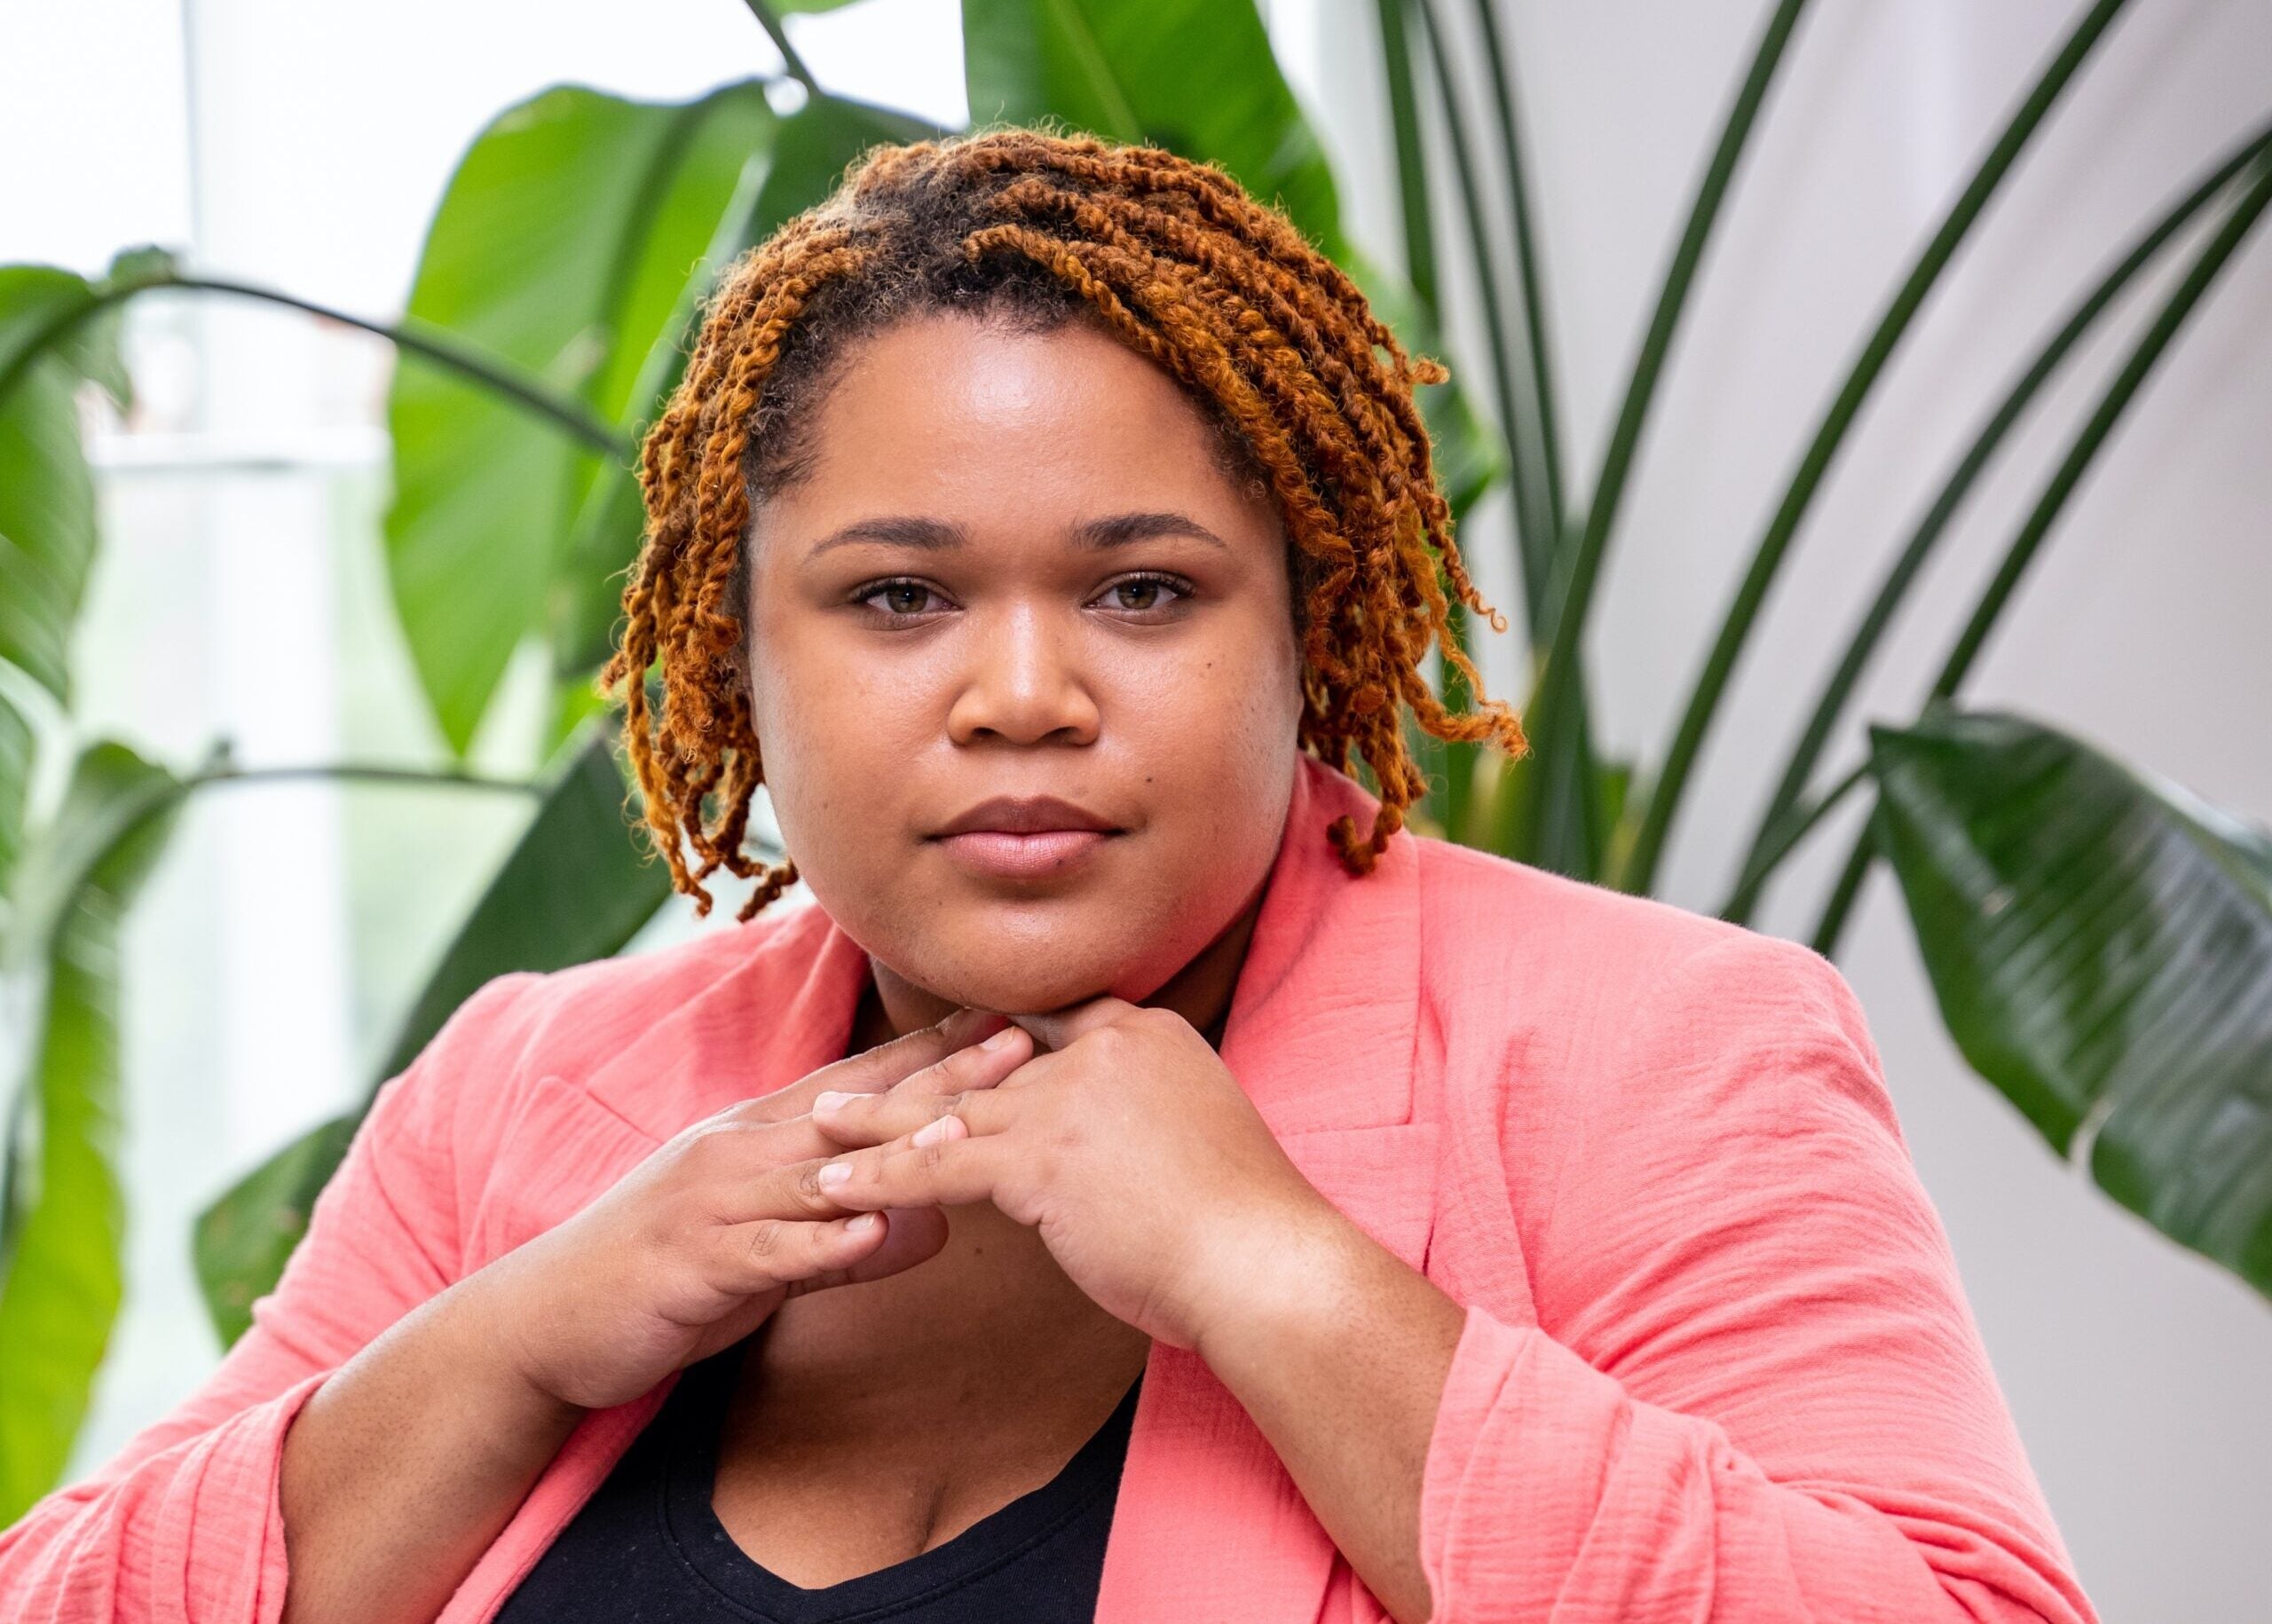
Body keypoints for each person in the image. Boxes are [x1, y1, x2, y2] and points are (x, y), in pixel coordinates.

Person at [0, 127, 2097, 1624]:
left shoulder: (1649, 1050)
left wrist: (1269, 1272)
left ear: (1315, 631)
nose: (1022, 694)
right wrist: (523, 1335)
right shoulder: (533, 1095)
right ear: (737, 649)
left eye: (1142, 590)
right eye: (898, 596)